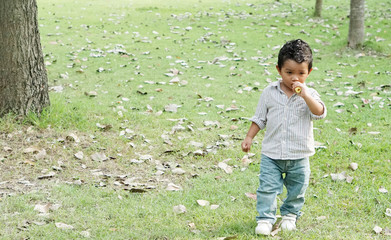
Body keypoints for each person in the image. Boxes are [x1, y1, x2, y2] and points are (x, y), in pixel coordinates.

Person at [241, 39, 327, 236]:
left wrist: (306, 96)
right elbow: (259, 118)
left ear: (309, 72)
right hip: (272, 154)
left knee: (298, 189)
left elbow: (320, 113)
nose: (294, 78)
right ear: (279, 70)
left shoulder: (310, 94)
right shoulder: (269, 93)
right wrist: (249, 137)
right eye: (289, 73)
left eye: (301, 73)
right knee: (267, 188)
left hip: (299, 155)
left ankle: (290, 215)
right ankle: (265, 219)